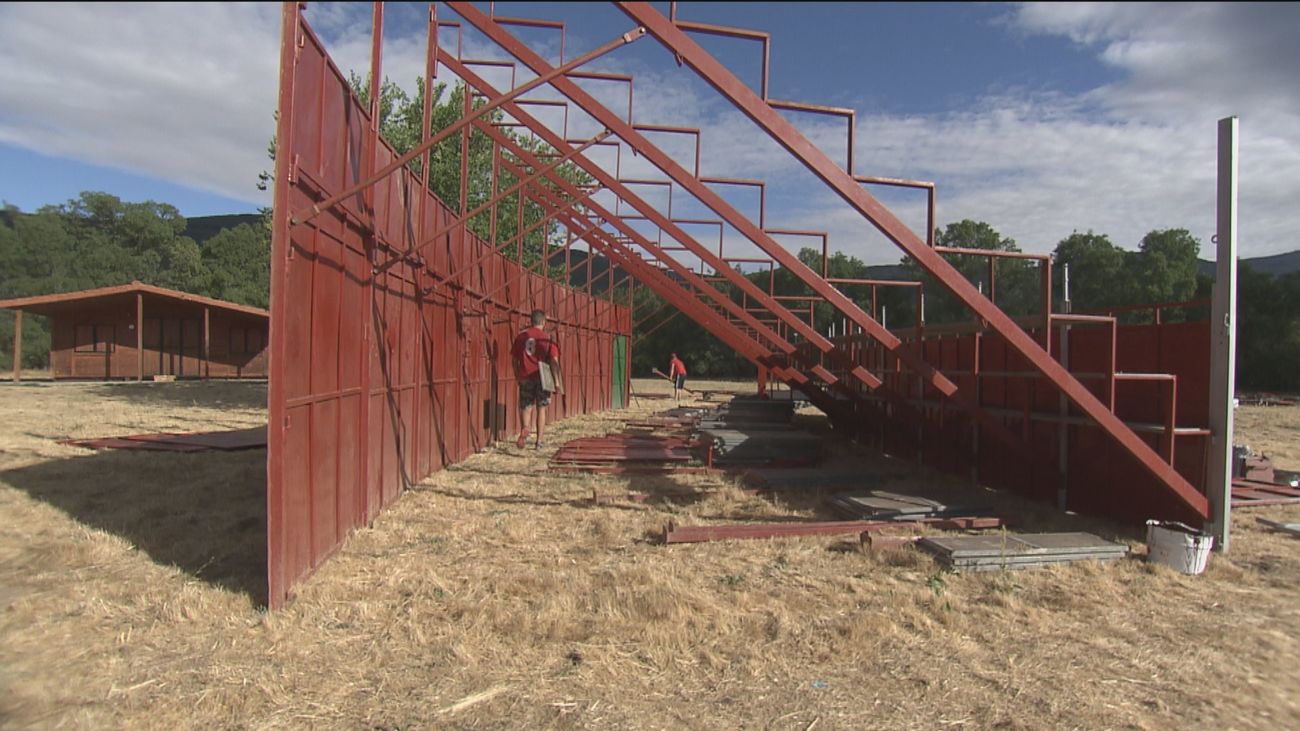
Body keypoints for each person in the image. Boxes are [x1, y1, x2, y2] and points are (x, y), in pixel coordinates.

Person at [511, 309, 560, 449]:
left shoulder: (521, 337)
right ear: (543, 322)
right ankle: (539, 442)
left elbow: (514, 360)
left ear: (531, 321)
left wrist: (517, 375)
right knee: (541, 408)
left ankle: (526, 428)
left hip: (525, 376)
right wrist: (556, 382)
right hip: (542, 378)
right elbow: (554, 362)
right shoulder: (548, 339)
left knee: (526, 406)